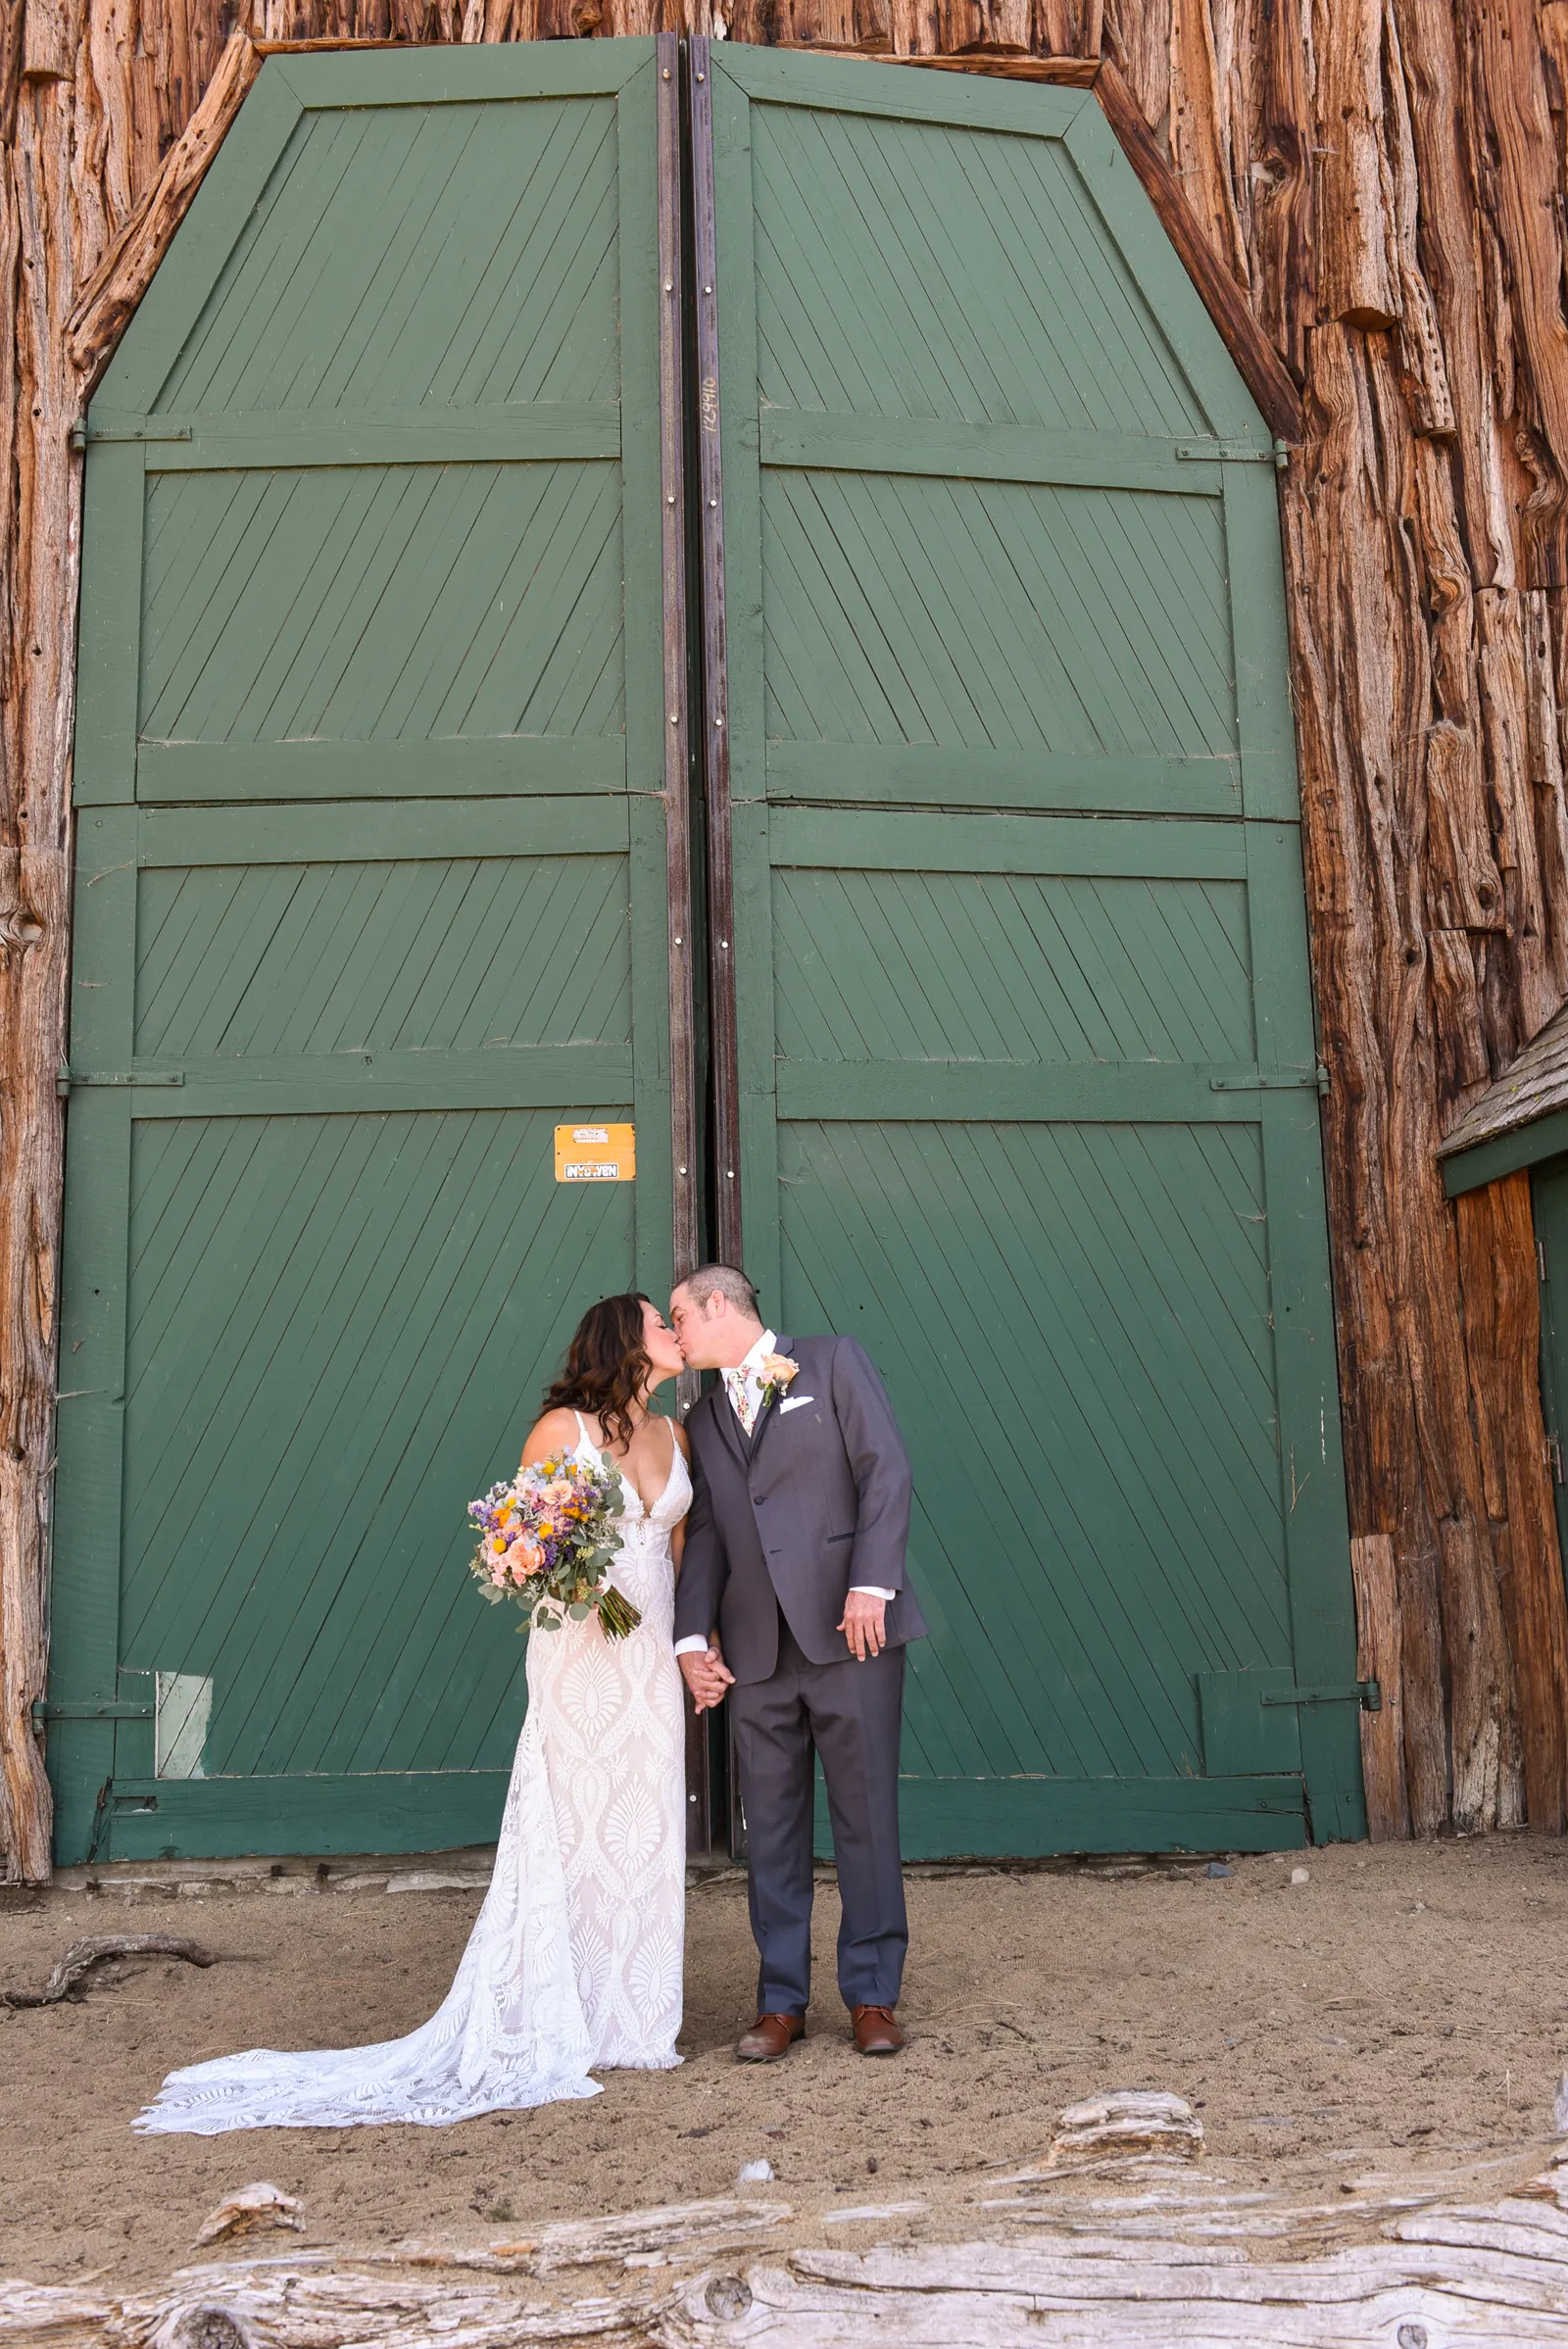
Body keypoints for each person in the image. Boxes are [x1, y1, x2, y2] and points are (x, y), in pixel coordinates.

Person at [134, 1295, 691, 2133]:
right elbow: (526, 1544)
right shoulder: (561, 1431)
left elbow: (680, 1550)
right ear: (625, 1339)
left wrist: (687, 1643)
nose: (676, 1335)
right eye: (661, 1323)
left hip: (649, 1657)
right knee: (576, 1825)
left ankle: (638, 2020)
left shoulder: (675, 1434)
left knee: (644, 1825)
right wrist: (582, 1587)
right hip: (582, 1652)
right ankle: (562, 2008)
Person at [669, 1264, 925, 2062]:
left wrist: (871, 1585)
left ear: (718, 1304)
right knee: (770, 1831)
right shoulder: (705, 1417)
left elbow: (885, 1468)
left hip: (852, 1634)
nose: (675, 1335)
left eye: (678, 1317)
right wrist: (691, 1637)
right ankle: (780, 2001)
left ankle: (873, 1995)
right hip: (757, 1653)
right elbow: (707, 1532)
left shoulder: (832, 1360)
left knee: (866, 1820)